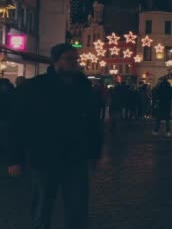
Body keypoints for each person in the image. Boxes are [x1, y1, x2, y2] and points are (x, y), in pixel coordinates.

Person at [7, 43, 103, 229]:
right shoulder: (35, 87)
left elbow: (92, 123)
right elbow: (17, 124)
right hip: (44, 155)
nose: (74, 63)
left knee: (77, 207)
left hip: (76, 156)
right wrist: (14, 158)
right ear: (56, 61)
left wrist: (94, 152)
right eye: (69, 59)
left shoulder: (83, 87)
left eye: (76, 59)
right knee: (42, 205)